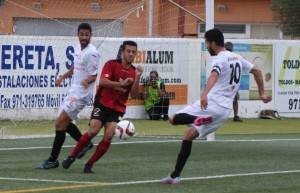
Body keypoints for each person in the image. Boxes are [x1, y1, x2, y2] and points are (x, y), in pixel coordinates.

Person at [160, 28, 272, 184]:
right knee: (188, 135)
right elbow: (258, 71)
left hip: (212, 105)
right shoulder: (237, 57)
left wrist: (205, 93)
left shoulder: (220, 58)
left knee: (173, 118)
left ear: (212, 43)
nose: (206, 47)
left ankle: (198, 119)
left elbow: (214, 75)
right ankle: (175, 176)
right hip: (224, 112)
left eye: (207, 43)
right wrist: (261, 94)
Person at [61, 40, 143, 173]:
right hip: (103, 103)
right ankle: (71, 157)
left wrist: (138, 78)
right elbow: (103, 82)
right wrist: (121, 84)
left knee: (109, 135)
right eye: (128, 51)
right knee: (93, 130)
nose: (131, 54)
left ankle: (89, 164)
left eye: (133, 52)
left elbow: (134, 95)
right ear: (122, 52)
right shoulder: (111, 64)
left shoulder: (134, 72)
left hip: (116, 109)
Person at [36, 23, 99, 169]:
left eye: (86, 35)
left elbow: (94, 75)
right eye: (81, 34)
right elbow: (75, 67)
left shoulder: (92, 53)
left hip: (81, 94)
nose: (84, 37)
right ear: (77, 34)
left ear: (91, 35)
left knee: (59, 124)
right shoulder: (77, 48)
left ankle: (52, 160)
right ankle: (85, 143)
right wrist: (63, 77)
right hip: (73, 90)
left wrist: (86, 80)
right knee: (63, 123)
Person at [225, 41, 243, 122]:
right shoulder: (235, 57)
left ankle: (235, 116)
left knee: (233, 100)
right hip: (231, 83)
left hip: (230, 83)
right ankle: (235, 116)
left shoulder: (232, 58)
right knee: (234, 100)